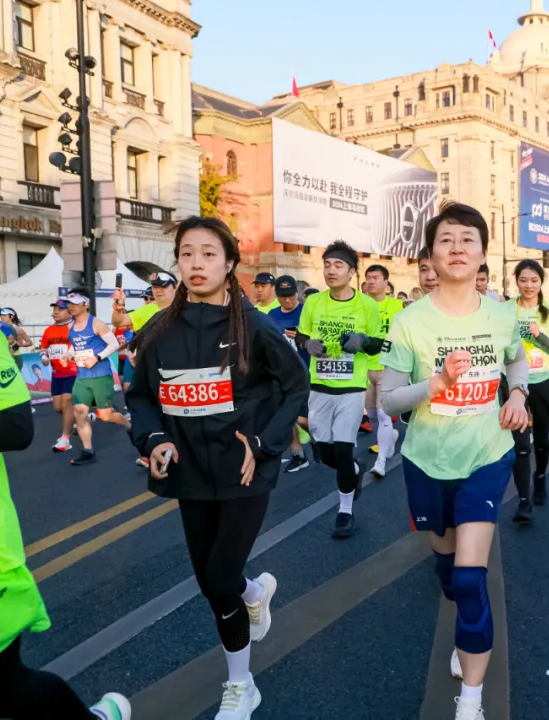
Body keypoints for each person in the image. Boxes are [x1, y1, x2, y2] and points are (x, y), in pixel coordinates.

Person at [127, 216, 307, 720]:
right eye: (187, 254)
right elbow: (141, 397)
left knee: (221, 576)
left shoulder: (255, 326)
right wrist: (154, 438)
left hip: (245, 470)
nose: (196, 263)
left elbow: (296, 385)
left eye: (209, 254)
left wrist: (265, 444)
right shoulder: (159, 331)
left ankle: (241, 685)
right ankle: (257, 590)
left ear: (229, 264)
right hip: (189, 473)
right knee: (212, 582)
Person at [378, 202, 528, 720]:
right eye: (446, 240)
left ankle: (471, 700)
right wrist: (438, 383)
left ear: (483, 253)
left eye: (468, 239)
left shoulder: (502, 314)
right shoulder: (409, 322)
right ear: (431, 255)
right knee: (448, 570)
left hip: (486, 455)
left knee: (468, 580)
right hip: (427, 459)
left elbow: (516, 359)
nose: (457, 248)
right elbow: (389, 400)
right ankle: (464, 626)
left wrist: (518, 394)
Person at [0, 308, 133, 720]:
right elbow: (41, 348)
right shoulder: (53, 330)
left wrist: (105, 353)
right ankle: (73, 437)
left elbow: (15, 426)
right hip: (71, 378)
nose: (61, 310)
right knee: (72, 409)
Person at [296, 241, 383, 539]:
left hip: (351, 388)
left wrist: (363, 341)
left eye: (338, 265)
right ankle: (355, 470)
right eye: (327, 265)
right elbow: (301, 336)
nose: (331, 271)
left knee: (343, 450)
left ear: (352, 272)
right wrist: (307, 344)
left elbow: (379, 343)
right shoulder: (313, 303)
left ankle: (345, 511)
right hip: (319, 387)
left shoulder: (367, 305)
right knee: (324, 454)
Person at [510, 259, 549, 520]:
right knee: (521, 443)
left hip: (543, 380)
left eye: (534, 280)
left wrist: (539, 336)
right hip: (515, 382)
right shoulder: (507, 309)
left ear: (541, 282)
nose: (528, 285)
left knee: (542, 439)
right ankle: (523, 500)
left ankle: (540, 476)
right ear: (516, 281)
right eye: (523, 280)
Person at [66, 290, 129, 466]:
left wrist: (97, 358)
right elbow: (75, 345)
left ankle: (128, 424)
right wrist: (68, 354)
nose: (71, 307)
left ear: (85, 304)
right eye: (69, 304)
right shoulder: (70, 326)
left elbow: (114, 344)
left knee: (106, 416)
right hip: (82, 376)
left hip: (101, 375)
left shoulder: (97, 324)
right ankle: (88, 450)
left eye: (75, 303)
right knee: (80, 411)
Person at [265, 275, 311, 472]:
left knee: (303, 419)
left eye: (291, 295)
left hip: (305, 372)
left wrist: (302, 336)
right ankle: (297, 454)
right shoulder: (272, 315)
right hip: (281, 374)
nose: (287, 300)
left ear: (297, 293)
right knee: (287, 416)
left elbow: (319, 340)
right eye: (283, 296)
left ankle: (324, 443)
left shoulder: (307, 312)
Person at [362, 263, 404, 477]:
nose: (371, 281)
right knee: (371, 415)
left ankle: (381, 462)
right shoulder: (360, 305)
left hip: (387, 367)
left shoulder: (397, 306)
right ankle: (390, 438)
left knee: (382, 413)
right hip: (364, 367)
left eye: (375, 278)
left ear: (386, 282)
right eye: (368, 278)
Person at [41, 300, 79, 452]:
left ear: (69, 312)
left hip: (74, 371)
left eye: (60, 309)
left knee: (67, 402)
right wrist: (44, 357)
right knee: (58, 407)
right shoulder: (49, 330)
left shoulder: (76, 327)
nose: (56, 312)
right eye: (54, 309)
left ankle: (65, 439)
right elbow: (44, 348)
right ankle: (81, 417)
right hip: (57, 373)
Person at [112, 272, 178, 333]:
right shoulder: (147, 309)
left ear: (176, 287)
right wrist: (118, 309)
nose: (158, 290)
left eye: (164, 286)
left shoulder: (182, 308)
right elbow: (119, 322)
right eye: (155, 287)